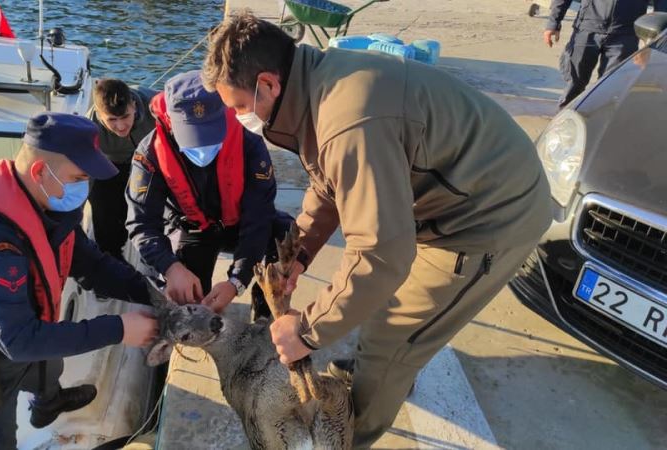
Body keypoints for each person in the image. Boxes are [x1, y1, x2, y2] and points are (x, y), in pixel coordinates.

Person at [202, 11, 553, 448]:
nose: (238, 119)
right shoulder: (315, 83)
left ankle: (350, 434)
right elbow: (327, 183)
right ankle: (379, 374)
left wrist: (306, 332)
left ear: (269, 85)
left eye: (238, 107)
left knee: (391, 338)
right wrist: (300, 253)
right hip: (452, 194)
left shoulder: (348, 122)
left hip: (488, 215)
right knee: (372, 312)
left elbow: (383, 254)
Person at [0, 112, 159, 450]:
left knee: (49, 354)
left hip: (0, 358)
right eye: (79, 177)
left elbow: (94, 266)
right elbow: (21, 339)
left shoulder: (48, 210)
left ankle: (47, 402)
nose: (84, 188)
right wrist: (120, 329)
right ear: (40, 171)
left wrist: (156, 295)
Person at [126, 70, 292, 318]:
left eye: (210, 136)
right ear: (171, 122)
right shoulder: (149, 154)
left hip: (239, 224)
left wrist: (237, 280)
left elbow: (259, 217)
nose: (202, 147)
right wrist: (171, 268)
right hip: (194, 228)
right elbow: (141, 223)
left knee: (285, 236)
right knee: (188, 303)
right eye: (192, 138)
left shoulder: (251, 145)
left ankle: (264, 310)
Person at [544, 0, 667, 108]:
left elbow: (662, 6)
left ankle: (597, 126)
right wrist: (553, 22)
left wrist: (653, 42)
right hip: (586, 29)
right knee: (574, 83)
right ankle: (564, 125)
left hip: (625, 35)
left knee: (610, 89)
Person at [88, 79, 157, 261]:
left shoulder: (155, 105)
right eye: (111, 119)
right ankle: (111, 259)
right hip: (109, 165)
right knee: (102, 209)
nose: (120, 126)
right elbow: (83, 175)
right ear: (99, 114)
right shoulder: (89, 129)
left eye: (125, 116)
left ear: (134, 105)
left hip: (148, 162)